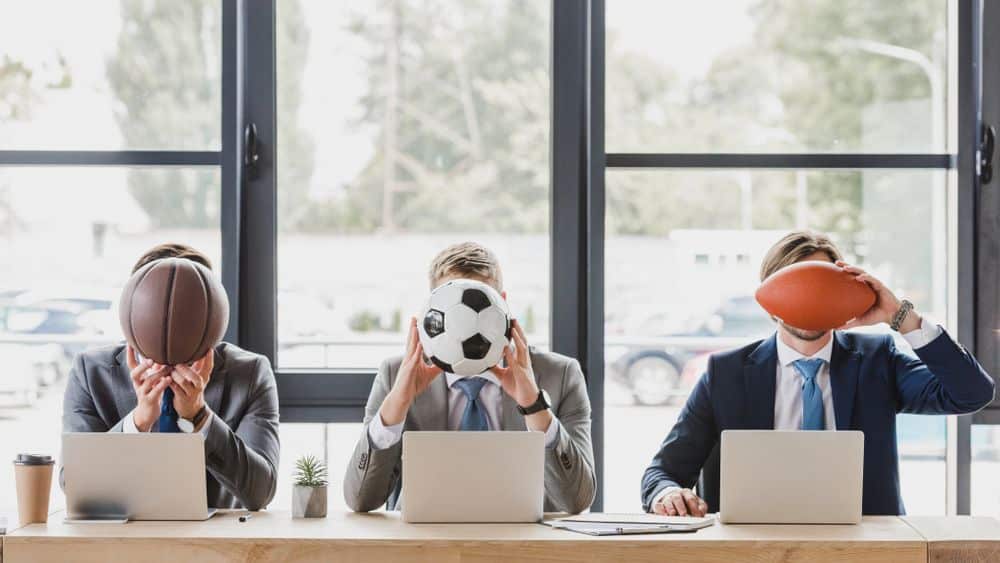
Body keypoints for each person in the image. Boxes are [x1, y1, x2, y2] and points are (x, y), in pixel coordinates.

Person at [642, 230, 995, 517]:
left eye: (821, 288)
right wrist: (668, 493)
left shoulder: (877, 360)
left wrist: (899, 316)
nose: (808, 301)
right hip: (752, 551)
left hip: (866, 550)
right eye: (795, 288)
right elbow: (661, 473)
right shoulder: (726, 373)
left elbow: (971, 392)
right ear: (770, 298)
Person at [343, 242, 596, 514]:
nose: (466, 325)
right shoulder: (397, 374)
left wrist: (534, 405)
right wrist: (397, 404)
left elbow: (577, 500)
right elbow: (360, 500)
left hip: (523, 548)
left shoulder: (560, 374)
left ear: (504, 306)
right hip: (425, 547)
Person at [62, 243, 280, 510]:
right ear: (134, 308)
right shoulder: (90, 372)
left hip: (215, 545)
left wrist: (200, 417)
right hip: (119, 543)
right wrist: (137, 423)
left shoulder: (249, 373)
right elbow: (73, 483)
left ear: (212, 313)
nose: (170, 318)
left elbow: (261, 492)